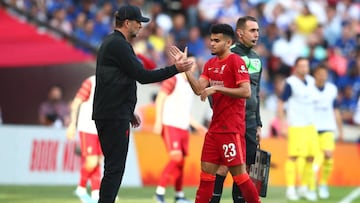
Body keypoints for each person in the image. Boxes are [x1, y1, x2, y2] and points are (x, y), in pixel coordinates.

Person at [91, 4, 194, 203]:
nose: (141, 26)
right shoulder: (119, 45)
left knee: (112, 167)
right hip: (113, 115)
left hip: (112, 112)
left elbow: (115, 80)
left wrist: (129, 112)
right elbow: (142, 76)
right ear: (127, 23)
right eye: (138, 22)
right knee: (115, 168)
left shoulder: (113, 43)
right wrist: (176, 68)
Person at [178, 23, 261, 203]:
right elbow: (200, 89)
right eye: (211, 40)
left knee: (240, 176)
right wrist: (186, 71)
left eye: (217, 40)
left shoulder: (236, 61)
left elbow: (246, 91)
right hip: (214, 131)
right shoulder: (210, 64)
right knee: (206, 175)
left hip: (232, 129)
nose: (212, 44)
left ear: (228, 42)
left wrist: (217, 88)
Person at [210, 16, 263, 203]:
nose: (257, 34)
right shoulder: (227, 54)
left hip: (249, 121)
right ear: (239, 33)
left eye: (257, 30)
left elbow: (256, 93)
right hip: (229, 120)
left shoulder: (257, 59)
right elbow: (213, 85)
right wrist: (219, 114)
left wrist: (258, 124)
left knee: (245, 166)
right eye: (252, 30)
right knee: (224, 165)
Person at [153, 55, 207, 203]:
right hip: (170, 124)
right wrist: (158, 121)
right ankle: (159, 192)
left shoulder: (190, 85)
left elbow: (185, 112)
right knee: (175, 158)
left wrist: (197, 126)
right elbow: (160, 98)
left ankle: (179, 195)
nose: (194, 65)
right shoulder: (173, 79)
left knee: (181, 163)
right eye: (191, 62)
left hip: (183, 127)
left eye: (195, 63)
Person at [277, 57, 318, 201]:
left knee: (310, 157)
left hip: (310, 125)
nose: (304, 68)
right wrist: (283, 124)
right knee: (293, 157)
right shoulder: (290, 83)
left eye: (306, 65)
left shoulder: (312, 81)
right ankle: (290, 189)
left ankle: (304, 188)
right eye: (301, 66)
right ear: (296, 67)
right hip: (296, 125)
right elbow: (281, 103)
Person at [66, 75, 103, 203]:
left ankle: (96, 194)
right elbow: (76, 102)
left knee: (97, 161)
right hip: (88, 127)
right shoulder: (91, 82)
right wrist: (72, 124)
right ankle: (81, 188)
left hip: (102, 128)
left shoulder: (112, 81)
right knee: (92, 161)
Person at [311, 64, 344, 199]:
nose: (323, 76)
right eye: (320, 73)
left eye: (325, 74)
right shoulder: (309, 89)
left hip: (327, 127)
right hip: (312, 128)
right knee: (313, 158)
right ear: (315, 75)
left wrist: (340, 129)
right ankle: (311, 186)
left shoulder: (332, 89)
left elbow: (335, 109)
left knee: (329, 155)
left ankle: (323, 183)